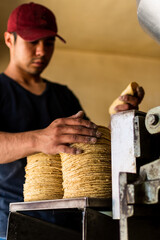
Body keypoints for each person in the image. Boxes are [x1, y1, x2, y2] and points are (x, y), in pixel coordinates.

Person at [0, 2, 144, 239]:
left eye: (49, 42)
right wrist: (40, 138)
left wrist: (117, 122)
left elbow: (87, 145)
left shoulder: (63, 95)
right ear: (9, 40)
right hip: (11, 227)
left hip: (70, 228)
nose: (41, 51)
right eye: (32, 41)